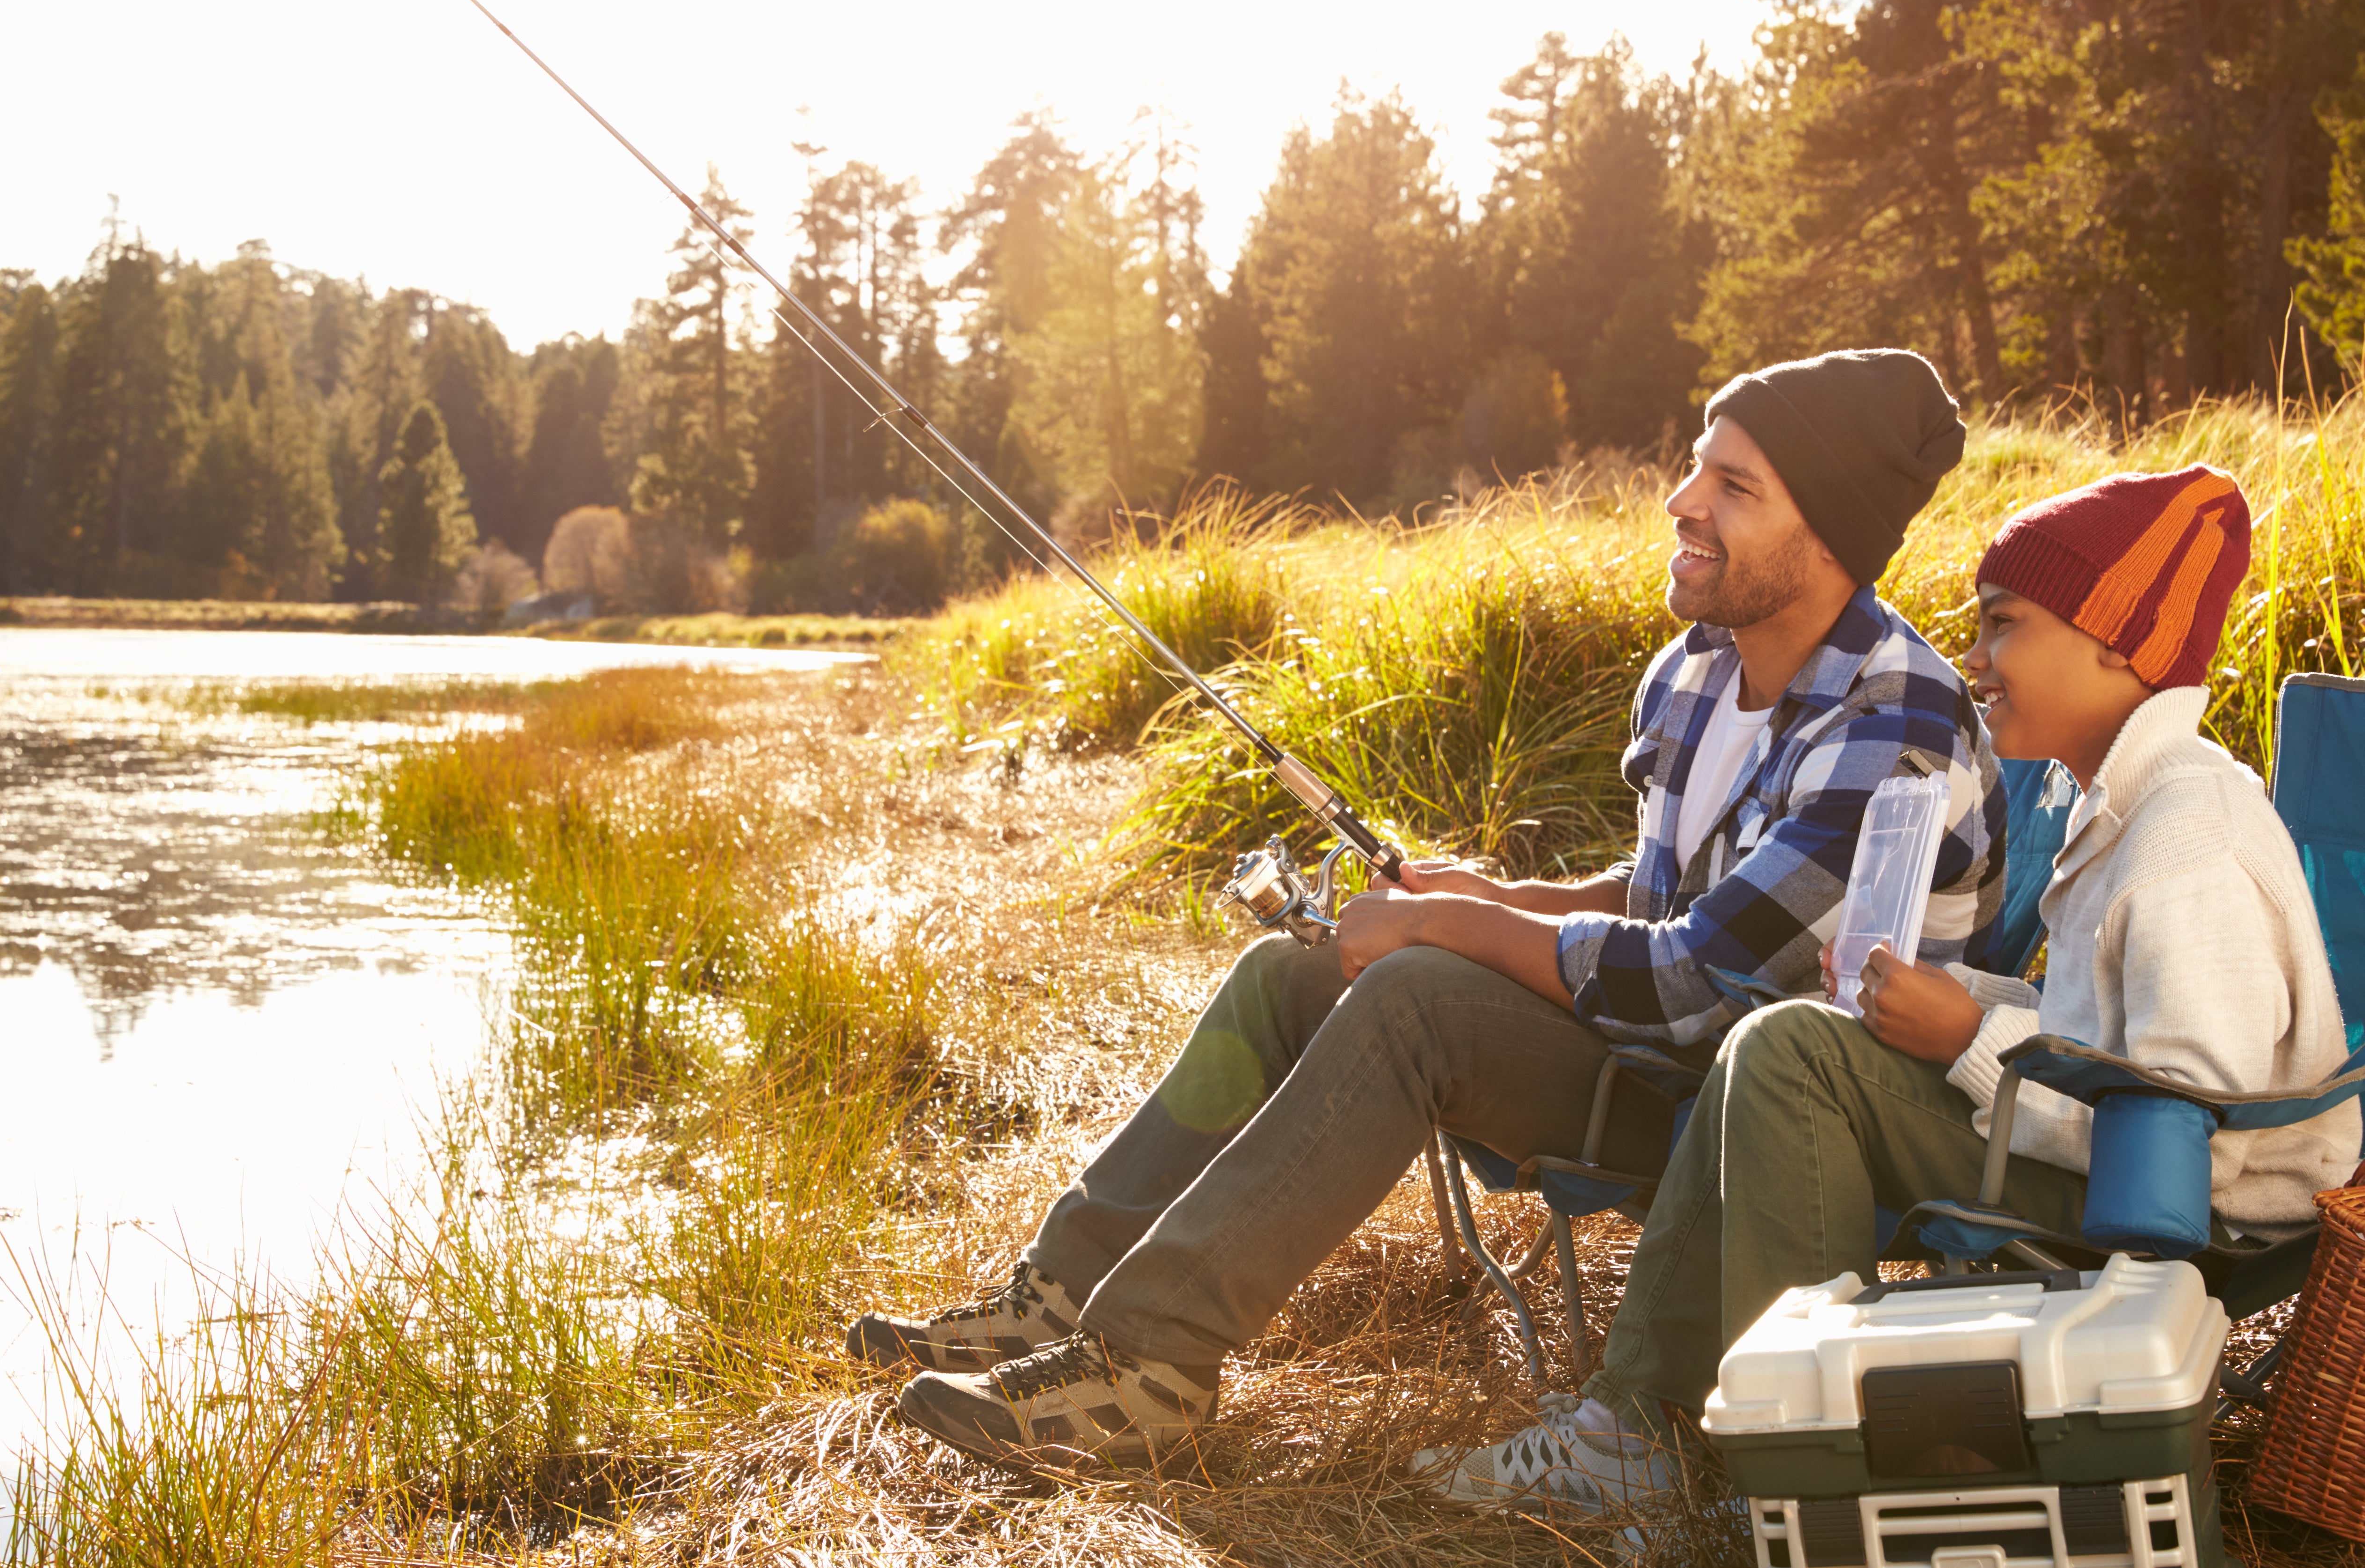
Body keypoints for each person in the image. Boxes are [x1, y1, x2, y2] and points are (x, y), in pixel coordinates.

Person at [851, 349, 2007, 1471]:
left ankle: (1141, 1370)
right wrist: (1484, 894)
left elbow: (1689, 982)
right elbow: (1654, 900)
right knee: (1289, 975)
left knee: (1414, 996)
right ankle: (1053, 1299)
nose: (1681, 499)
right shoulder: (1697, 670)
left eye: (1732, 487)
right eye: (1698, 466)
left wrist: (1446, 930)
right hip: (1649, 1060)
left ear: (1829, 537)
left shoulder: (1893, 717)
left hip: (1744, 1124)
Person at [1425, 462, 2360, 1513]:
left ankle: (1788, 1465)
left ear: (2114, 642)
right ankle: (1643, 1424)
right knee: (1784, 1040)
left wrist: (1962, 1034)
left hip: (2191, 1213)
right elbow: (2093, 1037)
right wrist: (1955, 996)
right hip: (2110, 1156)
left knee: (1791, 1056)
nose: (1973, 658)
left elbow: (2190, 1124)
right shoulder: (2117, 801)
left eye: (2003, 625)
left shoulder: (2185, 838)